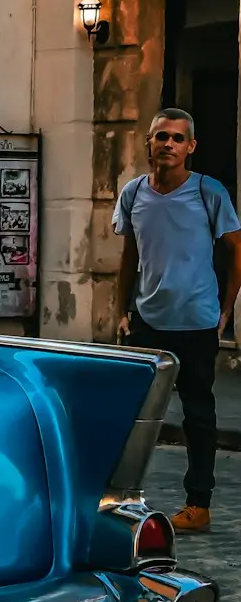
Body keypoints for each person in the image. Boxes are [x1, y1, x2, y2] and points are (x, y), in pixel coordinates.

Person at [115, 107, 241, 533]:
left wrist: (226, 309)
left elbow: (236, 250)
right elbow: (129, 256)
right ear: (148, 143)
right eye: (160, 136)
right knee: (130, 413)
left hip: (196, 323)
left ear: (191, 147)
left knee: (198, 414)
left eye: (177, 138)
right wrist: (122, 310)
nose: (167, 144)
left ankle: (198, 505)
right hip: (148, 320)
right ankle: (118, 498)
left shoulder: (209, 192)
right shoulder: (133, 193)